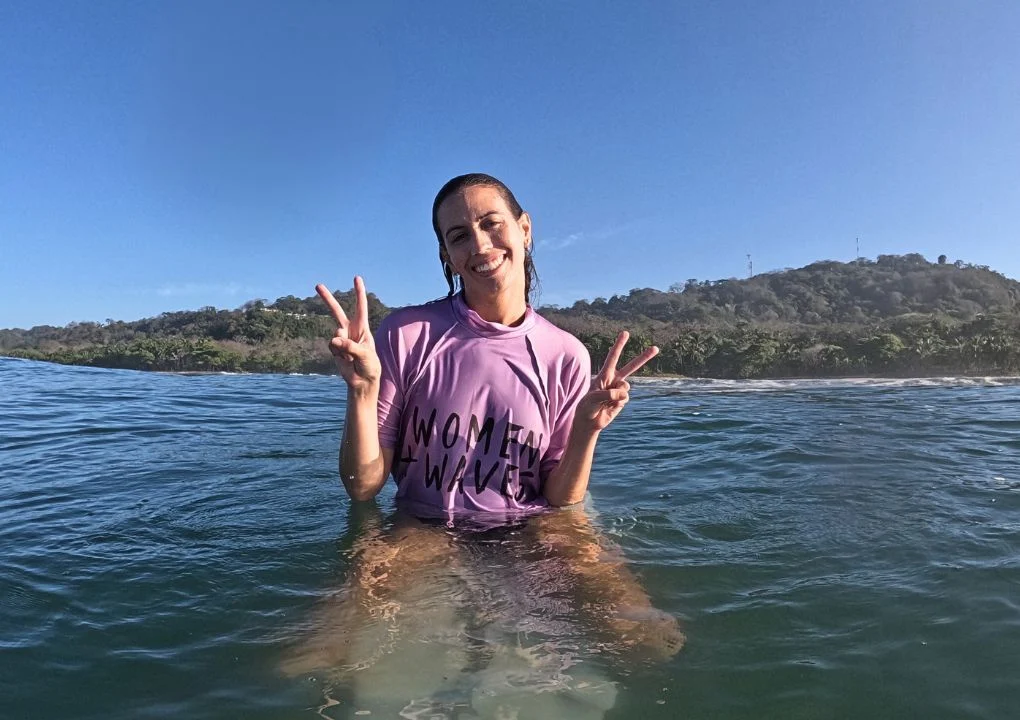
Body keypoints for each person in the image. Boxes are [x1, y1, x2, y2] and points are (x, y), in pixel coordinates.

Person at [315, 173, 658, 517]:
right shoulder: (407, 333)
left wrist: (586, 430)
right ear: (447, 256)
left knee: (607, 573)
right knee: (368, 572)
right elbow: (361, 487)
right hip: (427, 534)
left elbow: (561, 498)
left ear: (524, 229)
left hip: (530, 532)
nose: (480, 246)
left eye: (491, 223)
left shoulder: (566, 355)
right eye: (459, 236)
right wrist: (361, 391)